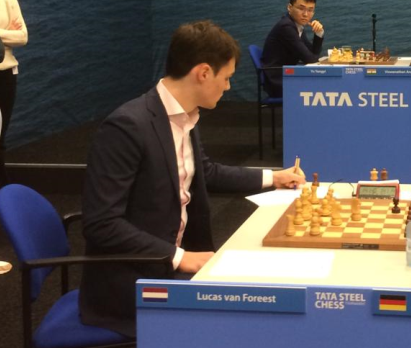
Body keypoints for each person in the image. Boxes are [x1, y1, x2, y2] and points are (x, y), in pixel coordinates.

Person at [79, 20, 306, 337]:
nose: (228, 87)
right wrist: (179, 257)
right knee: (253, 318)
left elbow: (206, 173)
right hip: (134, 281)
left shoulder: (185, 116)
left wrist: (274, 177)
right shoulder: (127, 126)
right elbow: (101, 224)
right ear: (203, 73)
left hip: (172, 261)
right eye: (226, 78)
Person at [261, 0, 325, 97]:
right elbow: (311, 59)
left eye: (310, 10)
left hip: (285, 75)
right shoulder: (286, 27)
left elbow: (312, 54)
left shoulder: (296, 25)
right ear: (289, 7)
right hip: (277, 80)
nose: (305, 14)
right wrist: (314, 58)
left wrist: (319, 33)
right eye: (301, 8)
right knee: (324, 85)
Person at [0, 0, 29, 187]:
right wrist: (6, 32)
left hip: (5, 74)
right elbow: (14, 35)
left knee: (0, 137)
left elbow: (22, 36)